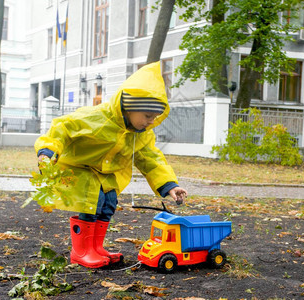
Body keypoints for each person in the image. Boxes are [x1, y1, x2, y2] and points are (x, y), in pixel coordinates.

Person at [34, 62, 188, 268]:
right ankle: (81, 252)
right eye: (147, 116)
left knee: (108, 203)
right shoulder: (94, 118)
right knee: (93, 202)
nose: (151, 122)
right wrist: (48, 152)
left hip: (107, 175)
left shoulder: (140, 135)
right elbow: (61, 129)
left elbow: (151, 159)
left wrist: (169, 185)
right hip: (80, 168)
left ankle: (96, 248)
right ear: (130, 108)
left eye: (155, 117)